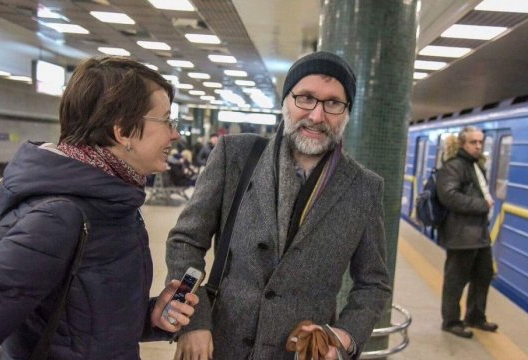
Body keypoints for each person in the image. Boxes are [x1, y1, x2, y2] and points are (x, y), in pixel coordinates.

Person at [166, 51, 391, 360]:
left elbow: (374, 283)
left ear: (347, 112)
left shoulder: (364, 187)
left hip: (299, 351)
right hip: (219, 344)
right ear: (286, 101)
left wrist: (343, 337)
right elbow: (186, 242)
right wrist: (192, 320)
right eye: (306, 98)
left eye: (333, 103)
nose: (316, 115)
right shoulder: (236, 155)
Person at [0, 56, 199, 359]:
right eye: (167, 120)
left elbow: (84, 322)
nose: (175, 134)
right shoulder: (59, 216)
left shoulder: (113, 202)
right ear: (123, 132)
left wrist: (150, 318)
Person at [436, 126, 498, 339]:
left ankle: (476, 317)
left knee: (484, 275)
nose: (478, 146)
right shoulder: (453, 167)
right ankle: (451, 321)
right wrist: (482, 205)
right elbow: (449, 196)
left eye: (481, 142)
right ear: (462, 144)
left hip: (479, 234)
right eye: (473, 142)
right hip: (461, 235)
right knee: (456, 280)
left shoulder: (476, 166)